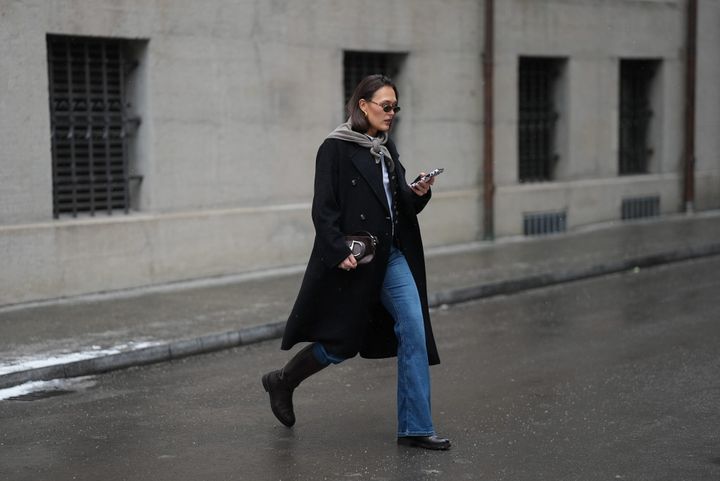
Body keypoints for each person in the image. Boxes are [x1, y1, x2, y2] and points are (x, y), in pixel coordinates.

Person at [261, 74, 450, 451]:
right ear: (363, 105)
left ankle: (415, 427)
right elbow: (323, 209)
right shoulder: (334, 148)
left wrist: (417, 192)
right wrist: (337, 251)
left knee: (413, 330)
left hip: (392, 256)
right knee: (340, 344)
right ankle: (283, 380)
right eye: (386, 106)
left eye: (395, 107)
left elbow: (398, 205)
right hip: (357, 259)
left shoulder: (386, 147)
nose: (391, 113)